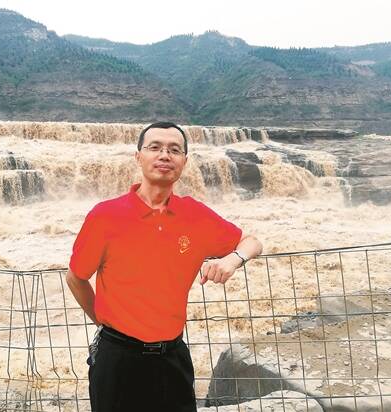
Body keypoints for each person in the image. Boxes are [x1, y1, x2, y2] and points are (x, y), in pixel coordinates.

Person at [66, 121, 263, 412]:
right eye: (155, 147)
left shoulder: (195, 216)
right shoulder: (105, 216)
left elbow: (252, 242)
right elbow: (76, 278)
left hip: (172, 357)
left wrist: (233, 259)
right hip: (117, 359)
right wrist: (104, 324)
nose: (164, 155)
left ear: (184, 161)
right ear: (138, 156)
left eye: (174, 150)